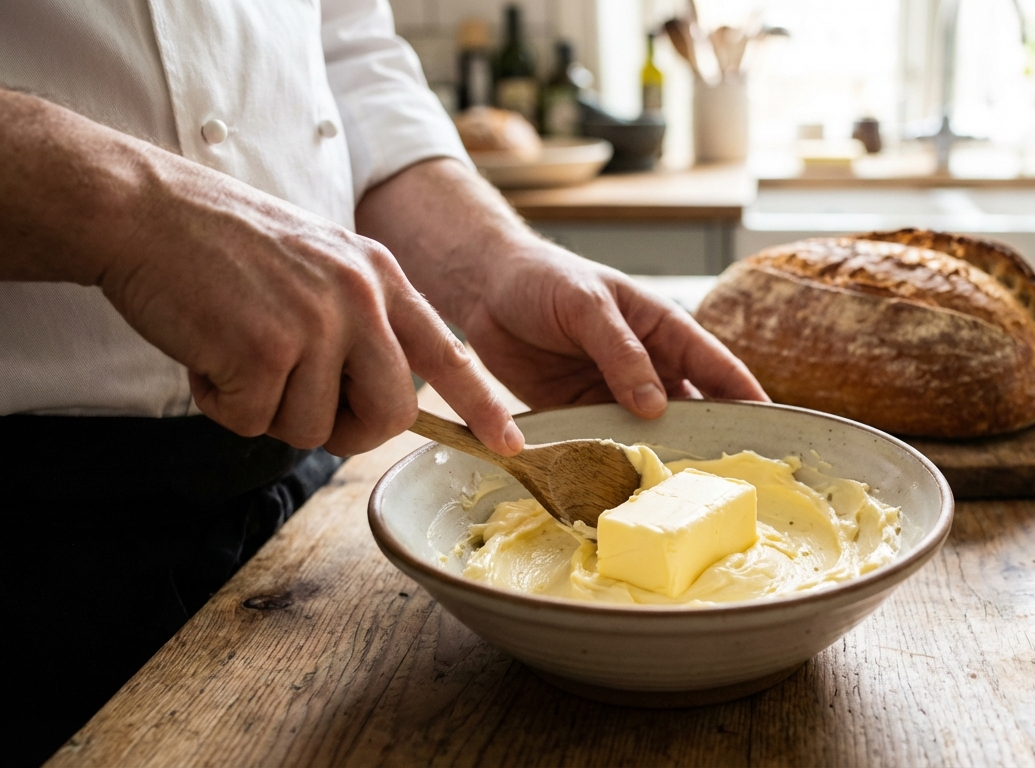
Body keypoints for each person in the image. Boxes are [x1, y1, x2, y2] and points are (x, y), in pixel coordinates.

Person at [0, 2, 766, 763]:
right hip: (30, 543)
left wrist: (488, 259)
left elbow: (348, 55)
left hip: (298, 500)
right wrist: (131, 208)